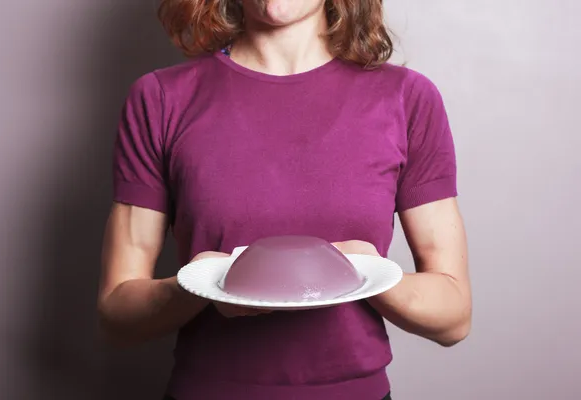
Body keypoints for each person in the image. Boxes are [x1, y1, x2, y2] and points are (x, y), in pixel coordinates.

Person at [97, 0, 472, 398]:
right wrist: (196, 285)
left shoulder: (407, 98)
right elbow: (118, 316)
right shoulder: (159, 99)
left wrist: (367, 274)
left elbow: (453, 318)